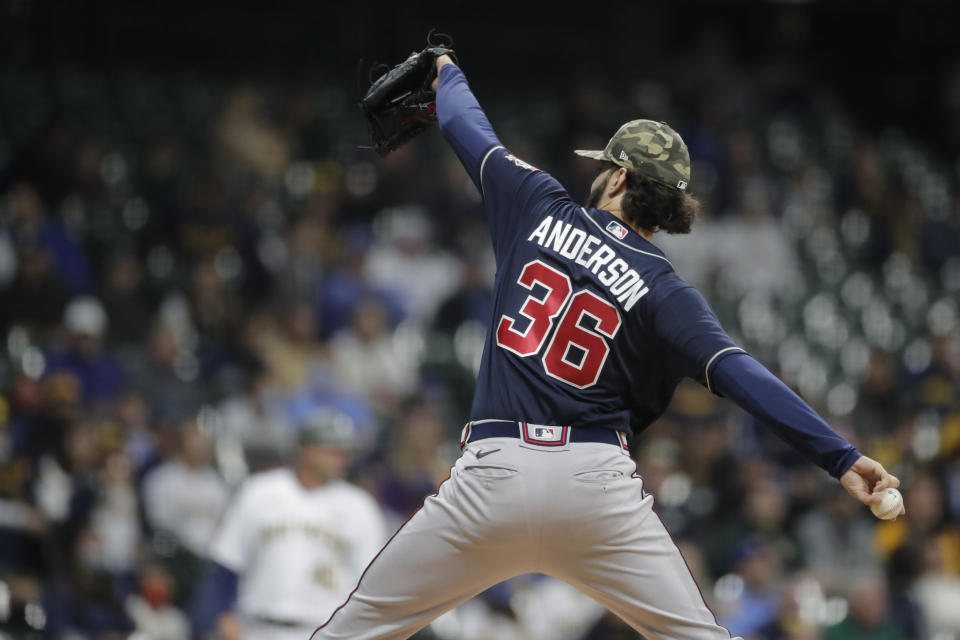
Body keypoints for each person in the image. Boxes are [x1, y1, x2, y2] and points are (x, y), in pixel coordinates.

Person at [310, 54, 903, 640]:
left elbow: (470, 129)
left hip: (493, 476)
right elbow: (741, 374)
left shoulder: (537, 203)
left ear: (618, 177)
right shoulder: (667, 290)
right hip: (595, 489)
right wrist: (841, 457)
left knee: (353, 633)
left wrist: (447, 72)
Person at [203, 409, 385, 640]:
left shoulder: (360, 507)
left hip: (325, 631)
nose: (342, 458)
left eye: (345, 452)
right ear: (305, 449)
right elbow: (228, 561)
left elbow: (372, 583)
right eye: (332, 450)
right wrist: (224, 614)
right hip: (258, 627)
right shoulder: (259, 491)